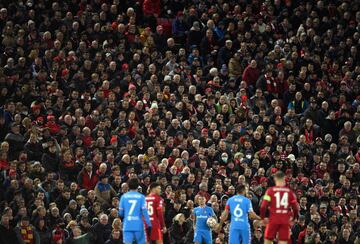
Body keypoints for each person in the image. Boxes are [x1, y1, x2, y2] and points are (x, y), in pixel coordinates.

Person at [260, 171, 299, 244]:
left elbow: (263, 206)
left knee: (268, 240)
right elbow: (295, 208)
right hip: (284, 220)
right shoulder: (290, 192)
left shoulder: (269, 191)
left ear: (275, 179)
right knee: (283, 241)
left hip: (273, 220)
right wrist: (294, 218)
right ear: (284, 178)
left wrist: (262, 218)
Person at [119, 178, 151, 244]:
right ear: (137, 186)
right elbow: (145, 212)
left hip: (128, 224)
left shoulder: (124, 197)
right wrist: (149, 224)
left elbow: (121, 213)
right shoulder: (141, 197)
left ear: (128, 186)